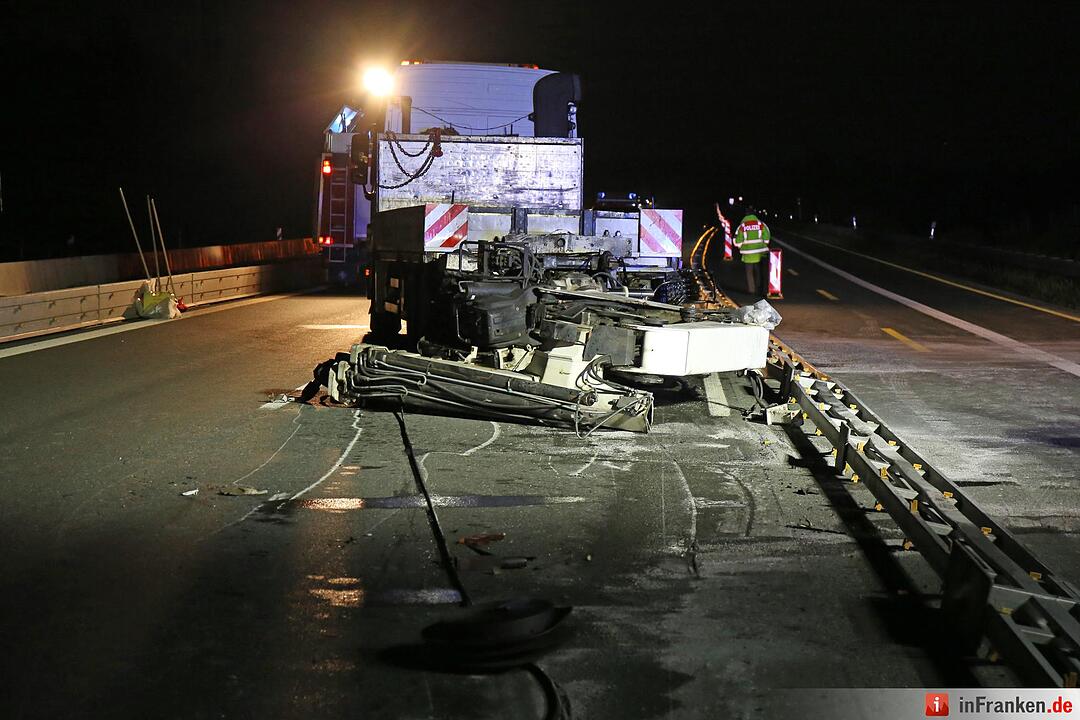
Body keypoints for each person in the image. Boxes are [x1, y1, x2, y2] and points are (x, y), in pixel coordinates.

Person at [734, 212, 770, 296]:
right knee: (759, 271)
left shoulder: (742, 226)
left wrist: (740, 246)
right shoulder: (761, 224)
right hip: (759, 252)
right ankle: (759, 289)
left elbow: (738, 241)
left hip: (748, 253)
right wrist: (763, 243)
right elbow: (767, 237)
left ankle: (751, 290)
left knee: (749, 272)